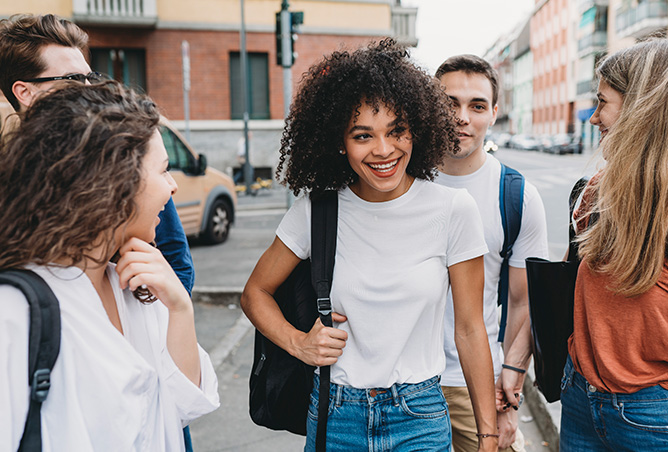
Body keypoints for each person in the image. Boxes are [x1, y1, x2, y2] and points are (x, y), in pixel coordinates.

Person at [241, 39, 498, 451]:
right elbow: (255, 292)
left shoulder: (453, 209)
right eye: (363, 135)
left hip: (420, 418)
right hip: (336, 416)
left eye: (397, 130)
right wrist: (298, 342)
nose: (383, 150)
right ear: (340, 142)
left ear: (417, 127)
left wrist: (488, 434)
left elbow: (470, 330)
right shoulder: (318, 211)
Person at [0, 81, 219, 451]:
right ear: (113, 182)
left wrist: (181, 307)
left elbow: (185, 405)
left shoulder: (133, 283)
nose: (172, 188)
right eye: (163, 171)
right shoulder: (15, 313)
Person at [561, 38, 668, 451]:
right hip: (580, 395)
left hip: (657, 415)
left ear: (644, 109)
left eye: (603, 102)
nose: (593, 117)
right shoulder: (597, 191)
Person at [0, 14, 195, 295]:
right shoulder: (12, 176)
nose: (89, 88)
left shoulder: (116, 155)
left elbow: (176, 259)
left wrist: (163, 321)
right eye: (73, 79)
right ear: (24, 92)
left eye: (90, 77)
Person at [434, 55, 549, 451]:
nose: (461, 117)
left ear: (494, 113)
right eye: (449, 103)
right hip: (403, 384)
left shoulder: (516, 195)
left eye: (477, 105)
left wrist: (511, 394)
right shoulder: (396, 178)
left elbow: (522, 304)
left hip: (476, 384)